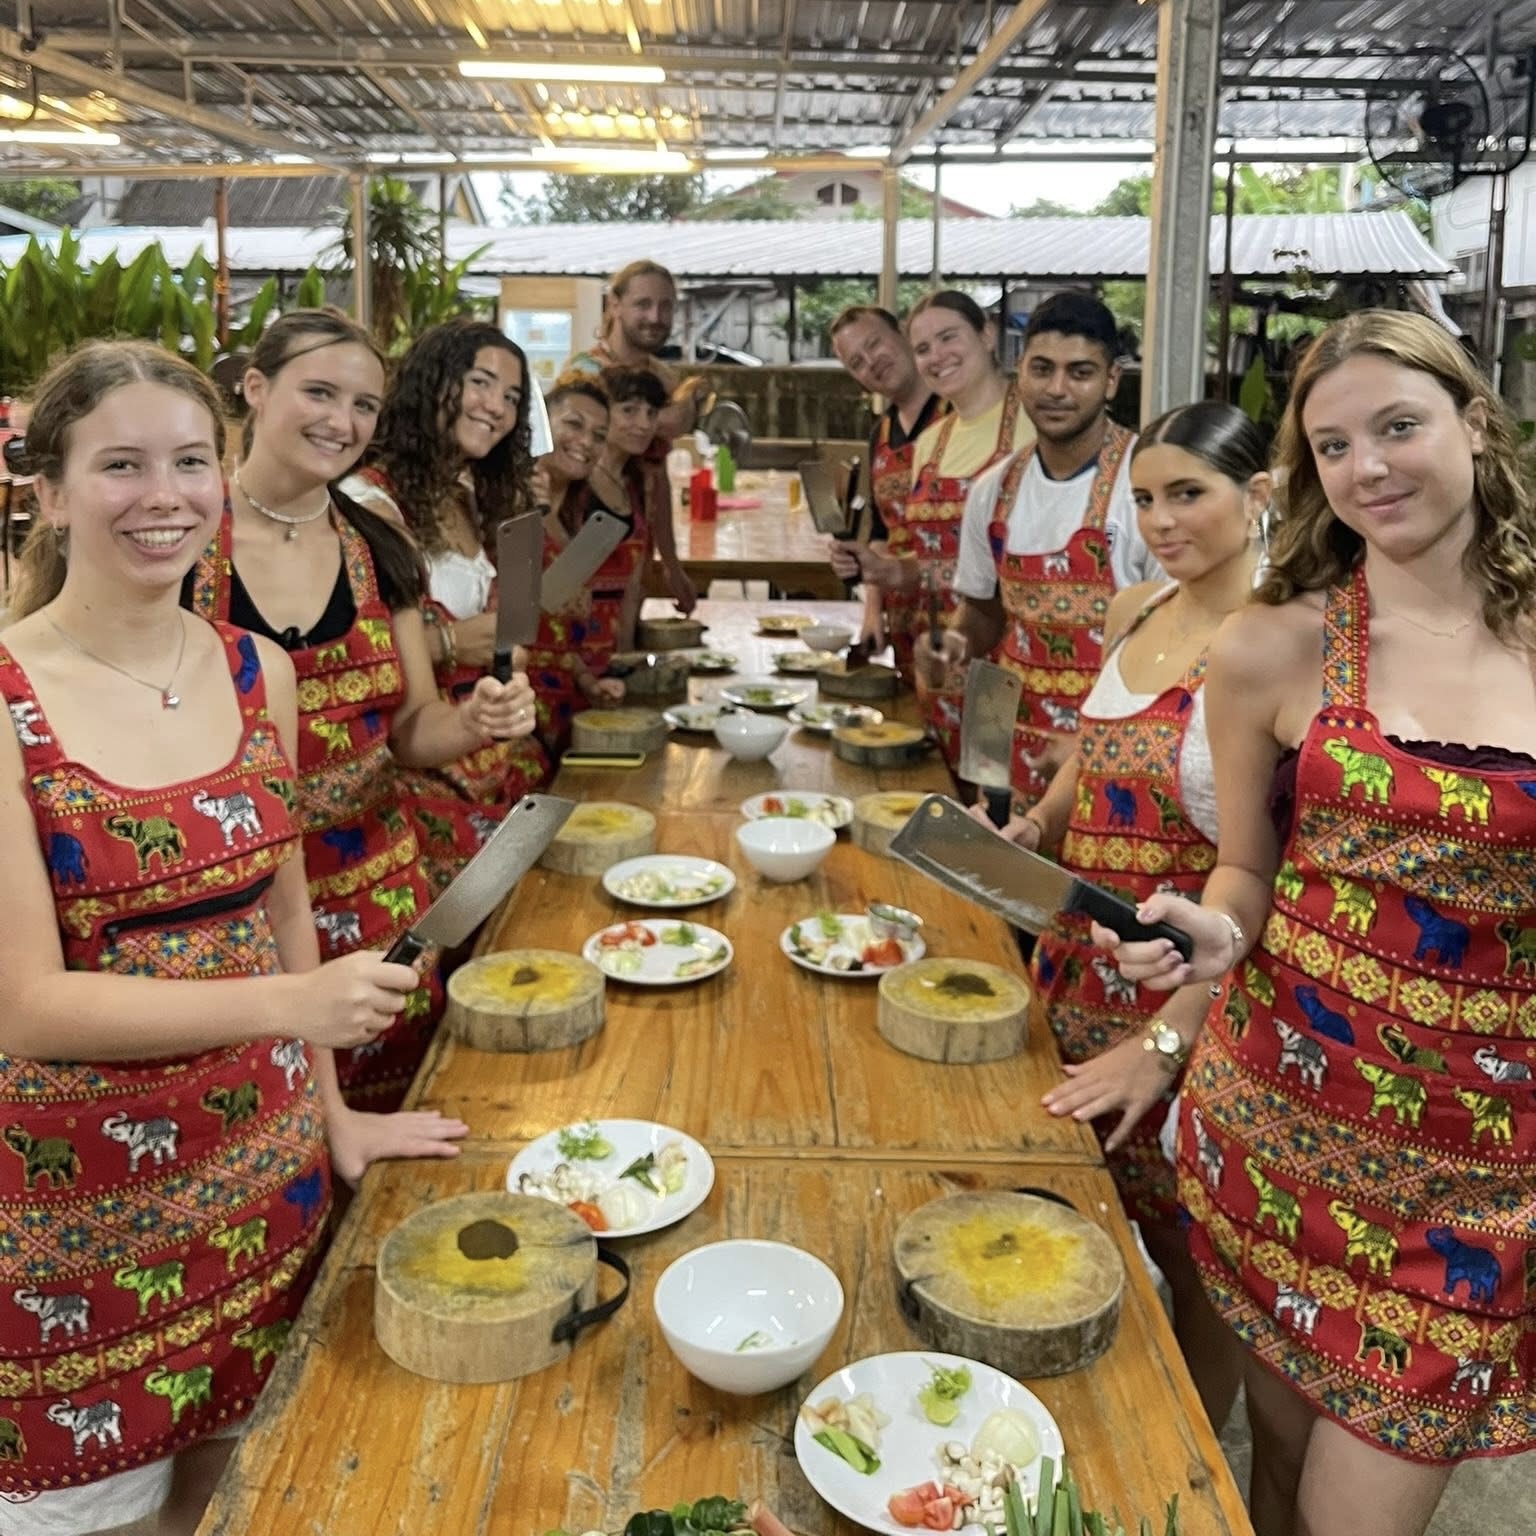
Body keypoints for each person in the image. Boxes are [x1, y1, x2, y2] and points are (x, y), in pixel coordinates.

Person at [0, 340, 463, 1536]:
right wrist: (287, 1008)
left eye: (190, 462)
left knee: (236, 1487)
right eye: (121, 465)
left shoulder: (257, 670)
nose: (164, 496)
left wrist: (333, 1115)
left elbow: (284, 908)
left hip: (268, 1176)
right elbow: (25, 1004)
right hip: (77, 1223)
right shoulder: (9, 696)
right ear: (49, 492)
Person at [1103, 311, 1536, 1536]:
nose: (1369, 468)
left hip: (1478, 1178)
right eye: (1334, 445)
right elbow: (1248, 868)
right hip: (1278, 1135)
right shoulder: (1275, 647)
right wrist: (1214, 932)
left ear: (1476, 425)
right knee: (1279, 1476)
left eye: (1399, 427)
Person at [975, 401, 1269, 1428]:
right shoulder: (1135, 611)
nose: (1161, 521)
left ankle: (1184, 1451)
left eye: (1189, 493)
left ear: (1258, 495)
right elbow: (1088, 768)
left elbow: (1270, 876)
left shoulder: (1282, 642)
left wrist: (1167, 1041)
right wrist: (1030, 829)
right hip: (1076, 969)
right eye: (1145, 498)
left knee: (1196, 1255)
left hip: (1190, 1002)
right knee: (1079, 1210)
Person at [186, 309, 538, 1111]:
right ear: (255, 388)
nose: (341, 422)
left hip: (382, 893)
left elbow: (412, 730)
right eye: (318, 392)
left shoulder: (377, 544)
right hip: (236, 916)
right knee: (269, 1122)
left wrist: (475, 720)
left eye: (364, 405)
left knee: (407, 1110)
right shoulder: (182, 542)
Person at [344, 318, 551, 894]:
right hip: (414, 791)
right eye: (480, 382)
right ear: (432, 383)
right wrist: (456, 644)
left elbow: (508, 627)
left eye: (511, 396)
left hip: (484, 768)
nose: (497, 407)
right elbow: (356, 663)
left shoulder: (466, 497)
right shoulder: (369, 504)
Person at [938, 292, 1162, 810]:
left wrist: (1094, 744)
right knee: (997, 854)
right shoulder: (993, 490)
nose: (1057, 389)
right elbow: (983, 614)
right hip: (1002, 737)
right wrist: (953, 643)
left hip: (1110, 748)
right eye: (1042, 369)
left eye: (1080, 373)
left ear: (1111, 379)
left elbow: (1174, 644)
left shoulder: (1147, 487)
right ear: (1020, 372)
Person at [833, 290, 1033, 765]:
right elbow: (920, 555)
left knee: (994, 781)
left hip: (1005, 661)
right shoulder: (932, 442)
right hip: (935, 653)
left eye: (949, 337)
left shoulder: (1034, 425)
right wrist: (883, 572)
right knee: (937, 779)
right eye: (924, 347)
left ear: (986, 334)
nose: (937, 356)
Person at [565, 258, 703, 613]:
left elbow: (658, 475)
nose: (655, 317)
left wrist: (670, 563)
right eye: (643, 304)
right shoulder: (584, 374)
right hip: (584, 534)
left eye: (666, 306)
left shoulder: (664, 378)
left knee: (623, 630)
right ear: (614, 305)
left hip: (637, 548)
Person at [524, 373, 642, 748]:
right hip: (518, 712)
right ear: (540, 427)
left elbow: (554, 629)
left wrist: (589, 682)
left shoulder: (574, 517)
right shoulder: (510, 505)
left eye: (598, 435)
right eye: (574, 424)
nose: (586, 442)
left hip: (565, 705)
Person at [826, 304, 946, 662]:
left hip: (963, 624)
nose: (872, 362)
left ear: (904, 333)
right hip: (905, 628)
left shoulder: (956, 414)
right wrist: (872, 611)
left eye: (874, 344)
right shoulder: (879, 435)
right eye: (857, 363)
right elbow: (882, 534)